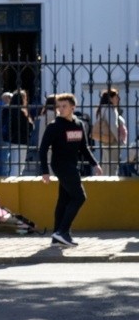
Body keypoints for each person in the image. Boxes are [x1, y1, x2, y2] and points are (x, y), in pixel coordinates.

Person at [40, 93, 102, 247]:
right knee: (80, 197)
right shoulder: (54, 126)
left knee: (64, 200)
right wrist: (45, 171)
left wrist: (95, 164)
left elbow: (84, 148)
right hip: (61, 165)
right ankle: (63, 232)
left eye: (64, 106)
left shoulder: (79, 124)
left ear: (73, 107)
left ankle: (56, 238)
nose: (60, 109)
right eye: (58, 106)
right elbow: (42, 149)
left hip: (72, 165)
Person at [94, 88, 128, 176]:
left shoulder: (102, 108)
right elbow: (113, 126)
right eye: (116, 97)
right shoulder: (109, 109)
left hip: (105, 140)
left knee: (106, 165)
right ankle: (111, 184)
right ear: (110, 98)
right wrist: (119, 140)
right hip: (113, 142)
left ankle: (104, 184)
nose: (118, 99)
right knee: (112, 167)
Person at [2, 89, 34, 176]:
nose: (26, 101)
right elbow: (29, 127)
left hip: (10, 139)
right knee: (19, 164)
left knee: (13, 163)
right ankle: (15, 181)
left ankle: (11, 179)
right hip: (21, 140)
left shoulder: (7, 110)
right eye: (25, 99)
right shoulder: (21, 112)